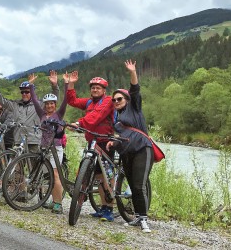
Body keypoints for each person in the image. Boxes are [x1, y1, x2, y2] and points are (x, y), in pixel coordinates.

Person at [106, 59, 153, 233]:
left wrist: (132, 72)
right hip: (127, 153)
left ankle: (144, 220)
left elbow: (135, 89)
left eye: (119, 99)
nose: (116, 101)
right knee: (133, 185)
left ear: (127, 99)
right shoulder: (117, 121)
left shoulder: (134, 108)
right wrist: (113, 141)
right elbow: (121, 137)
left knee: (139, 185)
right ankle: (138, 217)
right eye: (114, 100)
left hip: (142, 149)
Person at [66, 72, 115, 221]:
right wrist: (71, 84)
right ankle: (103, 207)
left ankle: (110, 209)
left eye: (98, 88)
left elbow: (96, 117)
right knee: (99, 177)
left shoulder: (107, 101)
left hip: (105, 142)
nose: (94, 90)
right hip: (92, 141)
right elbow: (72, 101)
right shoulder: (89, 103)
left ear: (104, 90)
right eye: (93, 87)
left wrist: (79, 123)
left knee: (107, 175)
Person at [28, 72, 68, 214]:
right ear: (44, 105)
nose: (50, 105)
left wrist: (66, 84)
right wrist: (31, 85)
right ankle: (52, 200)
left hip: (56, 148)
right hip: (44, 147)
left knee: (55, 175)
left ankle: (58, 204)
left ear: (55, 105)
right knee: (48, 176)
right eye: (47, 104)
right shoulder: (42, 114)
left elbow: (65, 100)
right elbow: (33, 99)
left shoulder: (59, 114)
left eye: (52, 103)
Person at [0, 71, 59, 153]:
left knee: (34, 165)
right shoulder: (15, 105)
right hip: (18, 141)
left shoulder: (39, 105)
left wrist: (54, 85)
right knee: (14, 165)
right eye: (22, 92)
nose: (24, 94)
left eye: (27, 92)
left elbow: (53, 99)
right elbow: (1, 100)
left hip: (33, 141)